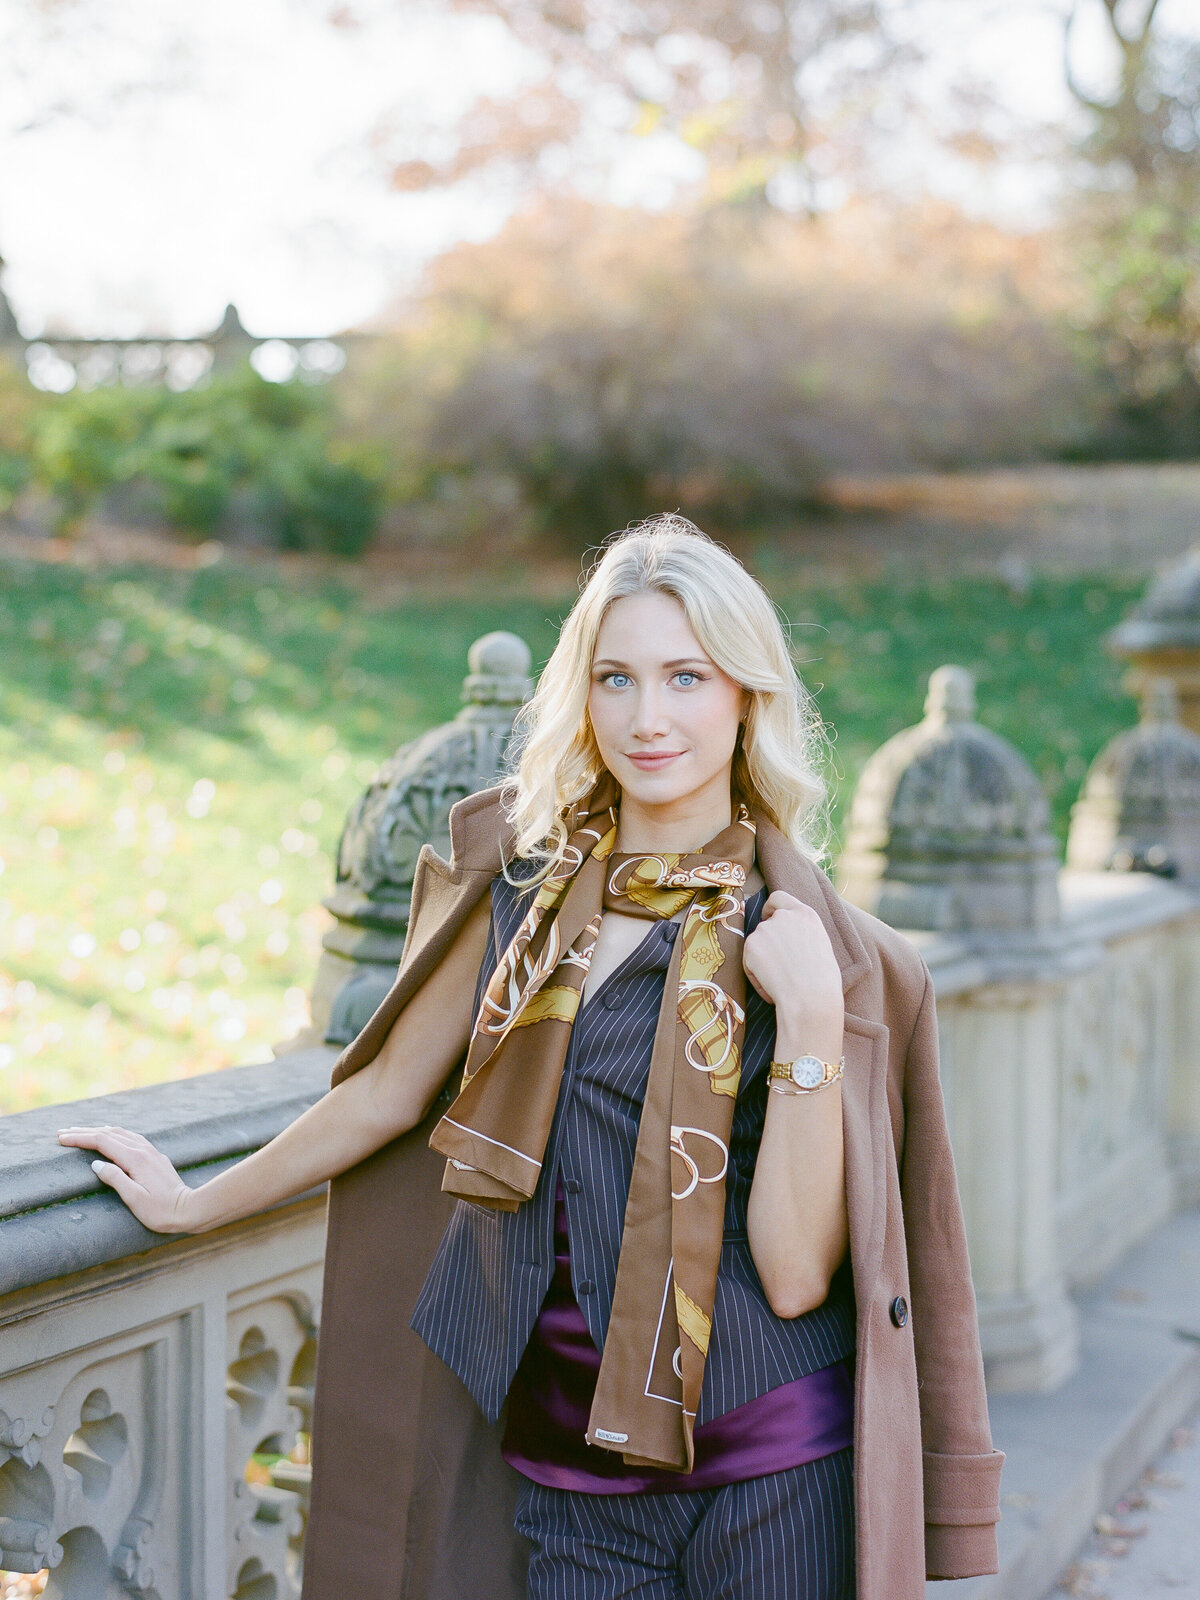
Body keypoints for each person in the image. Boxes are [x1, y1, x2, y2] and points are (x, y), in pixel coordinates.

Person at [59, 514, 1005, 1600]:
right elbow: (379, 1094)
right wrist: (193, 1204)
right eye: (617, 679)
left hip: (772, 1465)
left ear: (746, 695)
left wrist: (808, 1024)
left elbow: (795, 1275)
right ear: (582, 694)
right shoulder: (522, 904)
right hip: (570, 1476)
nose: (648, 718)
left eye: (687, 677)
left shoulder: (807, 945)